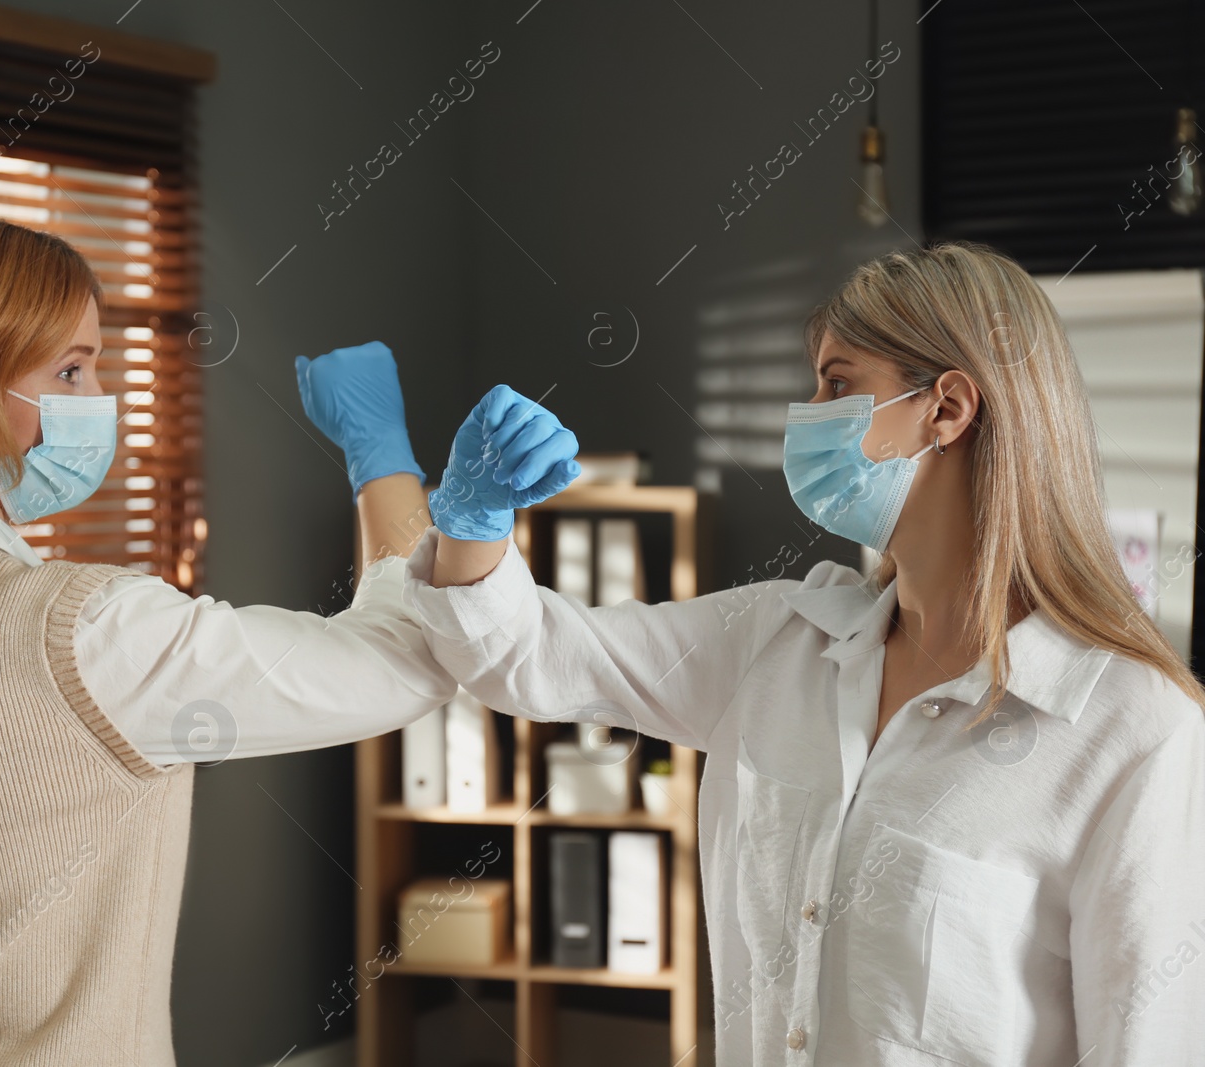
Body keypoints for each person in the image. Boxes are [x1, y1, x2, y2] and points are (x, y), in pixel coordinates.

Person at [0, 201, 549, 1065]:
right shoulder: (87, 636)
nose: (102, 403)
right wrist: (383, 453)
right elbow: (406, 662)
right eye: (71, 372)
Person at [403, 241, 1205, 1066]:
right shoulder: (776, 644)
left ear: (948, 409)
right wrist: (470, 518)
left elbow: (1149, 1044)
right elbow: (528, 655)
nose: (807, 411)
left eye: (837, 381)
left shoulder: (1134, 732)